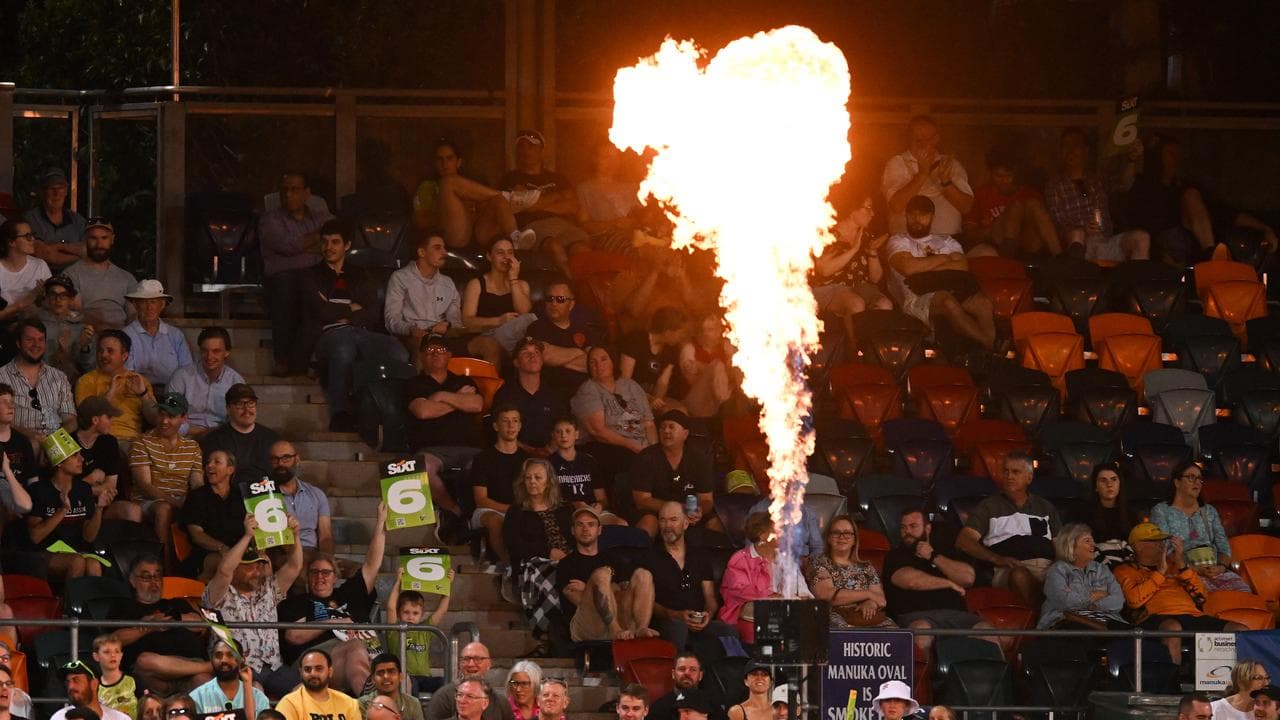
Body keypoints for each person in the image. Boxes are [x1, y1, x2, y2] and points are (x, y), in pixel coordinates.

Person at [301, 219, 409, 432]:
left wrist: (338, 310)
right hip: (326, 336)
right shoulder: (310, 275)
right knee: (344, 345)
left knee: (397, 351)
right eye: (324, 242)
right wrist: (352, 308)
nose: (328, 247)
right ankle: (341, 413)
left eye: (335, 242)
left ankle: (392, 414)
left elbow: (371, 313)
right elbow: (320, 312)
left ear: (347, 246)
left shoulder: (360, 274)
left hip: (360, 332)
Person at [278, 504, 388, 695]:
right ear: (307, 576)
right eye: (314, 572)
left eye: (326, 572)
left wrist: (381, 523)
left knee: (395, 671)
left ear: (335, 576)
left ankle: (382, 706)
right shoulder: (298, 601)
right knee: (354, 648)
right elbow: (293, 636)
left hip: (364, 653)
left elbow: (372, 564)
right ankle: (374, 706)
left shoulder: (348, 594)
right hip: (315, 659)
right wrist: (333, 622)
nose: (320, 577)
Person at [203, 515, 305, 699]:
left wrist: (295, 535)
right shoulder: (220, 593)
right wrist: (247, 536)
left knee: (304, 691)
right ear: (237, 567)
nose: (257, 572)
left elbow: (295, 566)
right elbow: (224, 570)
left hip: (274, 666)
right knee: (256, 691)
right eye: (250, 566)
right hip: (237, 666)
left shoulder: (269, 589)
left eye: (259, 566)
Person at [1113, 522, 1246, 660]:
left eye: (1162, 541)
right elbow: (1134, 601)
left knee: (1240, 630)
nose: (1162, 545)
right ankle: (1172, 679)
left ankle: (1243, 678)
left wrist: (1182, 565)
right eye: (1155, 541)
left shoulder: (1176, 565)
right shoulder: (1124, 570)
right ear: (1139, 546)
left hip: (1192, 616)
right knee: (1172, 628)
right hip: (1155, 618)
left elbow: (1202, 597)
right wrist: (1160, 573)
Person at [885, 195, 996, 350]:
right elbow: (908, 268)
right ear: (906, 215)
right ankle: (990, 345)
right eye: (913, 214)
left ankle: (989, 348)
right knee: (947, 301)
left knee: (984, 303)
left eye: (923, 215)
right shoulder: (898, 240)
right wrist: (945, 258)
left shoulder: (947, 241)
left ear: (932, 217)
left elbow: (962, 266)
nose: (917, 219)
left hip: (950, 287)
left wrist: (923, 270)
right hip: (915, 297)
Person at [955, 451, 1061, 607]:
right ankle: (1041, 622)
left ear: (1029, 478)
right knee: (1019, 575)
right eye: (1006, 471)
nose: (1009, 476)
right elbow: (963, 541)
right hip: (1009, 568)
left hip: (1046, 567)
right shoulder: (989, 507)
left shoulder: (1045, 506)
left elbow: (1060, 544)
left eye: (1015, 472)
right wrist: (995, 558)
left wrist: (1058, 566)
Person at [258, 172, 332, 376]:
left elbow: (336, 237)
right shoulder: (270, 220)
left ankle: (309, 361)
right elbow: (287, 245)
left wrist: (306, 244)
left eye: (294, 189)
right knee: (289, 288)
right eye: (284, 190)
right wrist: (317, 239)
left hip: (313, 276)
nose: (288, 194)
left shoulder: (320, 218)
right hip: (283, 279)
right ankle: (283, 359)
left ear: (307, 193)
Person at [882, 507, 985, 651]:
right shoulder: (896, 555)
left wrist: (933, 557)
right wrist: (948, 583)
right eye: (903, 527)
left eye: (913, 526)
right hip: (917, 617)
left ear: (928, 528)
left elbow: (968, 578)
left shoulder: (945, 552)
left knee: (988, 632)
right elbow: (912, 581)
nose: (907, 532)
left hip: (957, 616)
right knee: (922, 632)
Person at [408, 332, 483, 529]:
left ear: (449, 354)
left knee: (484, 466)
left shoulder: (464, 382)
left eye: (440, 349)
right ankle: (454, 512)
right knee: (421, 467)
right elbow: (423, 411)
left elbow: (476, 404)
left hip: (470, 447)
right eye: (429, 350)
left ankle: (473, 518)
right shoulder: (414, 384)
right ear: (422, 356)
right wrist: (459, 400)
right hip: (432, 449)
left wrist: (440, 396)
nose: (435, 354)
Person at [109, 553, 212, 692]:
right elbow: (113, 640)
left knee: (205, 681)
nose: (153, 582)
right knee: (145, 660)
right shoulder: (124, 607)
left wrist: (173, 618)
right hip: (153, 677)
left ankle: (206, 668)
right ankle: (211, 666)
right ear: (133, 581)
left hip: (190, 669)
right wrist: (149, 627)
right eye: (146, 577)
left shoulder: (176, 604)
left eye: (157, 576)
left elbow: (201, 625)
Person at [1044, 127, 1149, 261]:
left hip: (1105, 242)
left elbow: (1124, 184)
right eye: (1066, 146)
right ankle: (1076, 278)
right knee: (1077, 235)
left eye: (1075, 145)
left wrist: (1131, 159)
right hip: (1079, 245)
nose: (1070, 150)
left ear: (1086, 150)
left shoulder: (1097, 179)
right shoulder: (1054, 185)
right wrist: (1084, 229)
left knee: (1141, 238)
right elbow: (1057, 225)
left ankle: (1136, 282)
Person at [503, 458, 573, 651]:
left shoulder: (565, 508)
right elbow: (514, 545)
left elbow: (576, 537)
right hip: (532, 564)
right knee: (547, 574)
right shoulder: (517, 511)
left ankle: (569, 635)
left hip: (568, 561)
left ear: (549, 480)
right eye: (528, 478)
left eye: (537, 477)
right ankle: (548, 636)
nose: (532, 481)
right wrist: (548, 552)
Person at [1150, 460, 1251, 593]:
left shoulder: (1209, 511)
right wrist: (1192, 569)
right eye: (1191, 477)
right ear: (1177, 482)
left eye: (1199, 478)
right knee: (1203, 597)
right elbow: (1164, 549)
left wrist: (1221, 567)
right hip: (1182, 572)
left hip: (1213, 571)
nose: (1197, 482)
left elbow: (1223, 546)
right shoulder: (1161, 511)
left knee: (1243, 593)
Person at [557, 505, 656, 641]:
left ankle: (641, 628)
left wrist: (588, 588)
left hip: (621, 619)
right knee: (602, 574)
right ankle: (614, 630)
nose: (585, 529)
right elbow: (577, 600)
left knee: (643, 574)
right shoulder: (566, 564)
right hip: (587, 625)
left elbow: (625, 594)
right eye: (580, 525)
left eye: (591, 525)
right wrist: (608, 587)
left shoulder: (613, 559)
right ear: (573, 530)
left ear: (599, 530)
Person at [650, 501, 737, 651]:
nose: (667, 526)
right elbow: (647, 601)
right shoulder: (650, 556)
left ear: (685, 524)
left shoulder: (700, 555)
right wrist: (675, 615)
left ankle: (735, 674)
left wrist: (707, 615)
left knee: (729, 632)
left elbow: (710, 596)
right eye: (662, 520)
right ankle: (681, 672)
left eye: (673, 520)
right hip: (666, 621)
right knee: (678, 629)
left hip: (698, 622)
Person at [498, 129, 588, 274]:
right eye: (522, 147)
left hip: (564, 224)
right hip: (534, 227)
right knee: (554, 246)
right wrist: (557, 197)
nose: (526, 151)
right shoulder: (511, 179)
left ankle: (588, 290)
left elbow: (572, 206)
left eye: (531, 146)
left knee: (582, 249)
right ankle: (573, 288)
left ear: (541, 150)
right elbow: (514, 207)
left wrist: (534, 205)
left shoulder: (558, 179)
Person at [416, 138, 531, 250]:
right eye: (440, 159)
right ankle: (513, 198)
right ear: (435, 163)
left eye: (449, 158)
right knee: (447, 182)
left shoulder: (471, 183)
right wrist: (448, 210)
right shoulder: (428, 186)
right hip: (452, 234)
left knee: (498, 199)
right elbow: (420, 220)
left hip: (480, 232)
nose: (444, 163)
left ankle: (516, 237)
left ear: (458, 162)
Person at [26, 430, 107, 580]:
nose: (81, 459)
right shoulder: (39, 490)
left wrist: (99, 509)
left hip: (75, 550)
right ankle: (69, 603)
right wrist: (62, 511)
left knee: (93, 564)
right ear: (60, 463)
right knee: (77, 562)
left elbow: (88, 537)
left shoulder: (84, 489)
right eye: (75, 456)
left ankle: (93, 603)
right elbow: (35, 537)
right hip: (44, 551)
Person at [812, 193, 893, 345]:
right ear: (852, 210)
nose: (872, 213)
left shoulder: (866, 235)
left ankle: (874, 352)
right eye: (867, 208)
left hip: (859, 287)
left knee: (885, 304)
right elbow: (824, 270)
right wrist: (854, 249)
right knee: (855, 303)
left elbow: (875, 278)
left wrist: (872, 252)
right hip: (829, 289)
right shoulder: (829, 235)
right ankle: (853, 352)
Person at [720, 513, 813, 642]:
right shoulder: (740, 559)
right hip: (751, 620)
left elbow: (805, 595)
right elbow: (741, 592)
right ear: (762, 535)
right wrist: (775, 597)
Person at [129, 392, 202, 557]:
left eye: (171, 416)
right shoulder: (142, 442)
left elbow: (198, 484)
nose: (164, 421)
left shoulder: (192, 446)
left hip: (182, 501)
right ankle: (162, 562)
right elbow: (146, 487)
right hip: (148, 502)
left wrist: (199, 504)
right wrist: (178, 504)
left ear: (184, 418)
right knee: (164, 508)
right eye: (161, 414)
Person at [572, 345, 654, 492]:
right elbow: (599, 432)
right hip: (610, 446)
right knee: (637, 464)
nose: (599, 365)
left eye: (604, 359)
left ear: (613, 362)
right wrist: (636, 447)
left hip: (641, 444)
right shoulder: (588, 390)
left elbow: (649, 423)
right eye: (593, 362)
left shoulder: (630, 385)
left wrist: (654, 449)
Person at [882, 116, 974, 238]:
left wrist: (946, 183)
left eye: (927, 139)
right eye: (917, 140)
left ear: (936, 139)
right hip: (907, 242)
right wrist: (922, 174)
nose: (922, 144)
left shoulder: (950, 163)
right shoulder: (897, 163)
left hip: (948, 241)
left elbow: (966, 207)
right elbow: (896, 205)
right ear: (908, 139)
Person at [963, 147, 1061, 257]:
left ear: (1016, 173)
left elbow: (1044, 225)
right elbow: (969, 235)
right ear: (990, 173)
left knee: (1031, 204)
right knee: (1016, 206)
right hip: (997, 240)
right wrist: (989, 229)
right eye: (998, 176)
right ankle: (1008, 254)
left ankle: (1060, 258)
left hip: (1027, 242)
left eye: (1008, 175)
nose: (1004, 181)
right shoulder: (981, 195)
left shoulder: (1030, 194)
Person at [630, 409, 715, 537]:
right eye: (662, 428)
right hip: (656, 511)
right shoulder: (647, 457)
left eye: (671, 427)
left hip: (689, 512)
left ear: (685, 434)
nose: (666, 431)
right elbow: (642, 500)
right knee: (648, 523)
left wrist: (699, 511)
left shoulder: (698, 458)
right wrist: (677, 510)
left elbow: (706, 500)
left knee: (716, 523)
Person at [804, 515, 893, 629]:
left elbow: (881, 600)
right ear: (829, 538)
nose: (842, 537)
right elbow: (826, 595)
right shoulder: (818, 562)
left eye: (847, 533)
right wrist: (868, 595)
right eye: (836, 533)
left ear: (854, 540)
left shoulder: (866, 567)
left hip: (868, 617)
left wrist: (871, 603)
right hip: (834, 618)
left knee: (897, 636)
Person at [383, 230, 461, 357]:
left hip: (441, 337)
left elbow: (456, 322)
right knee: (425, 346)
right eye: (437, 248)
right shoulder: (400, 278)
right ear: (421, 252)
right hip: (410, 337)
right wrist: (411, 330)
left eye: (444, 248)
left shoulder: (448, 283)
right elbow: (392, 320)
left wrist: (448, 325)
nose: (444, 253)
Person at [0, 318, 77, 444]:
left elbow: (70, 420)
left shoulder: (59, 377)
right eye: (29, 340)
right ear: (18, 343)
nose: (36, 345)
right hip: (17, 443)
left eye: (40, 340)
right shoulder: (2, 376)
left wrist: (54, 441)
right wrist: (28, 435)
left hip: (56, 443)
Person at [74, 329, 158, 444]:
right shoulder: (86, 380)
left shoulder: (139, 381)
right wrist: (109, 394)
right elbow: (85, 419)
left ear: (124, 356)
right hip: (98, 440)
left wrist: (143, 394)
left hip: (131, 441)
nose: (103, 355)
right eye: (101, 351)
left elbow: (155, 420)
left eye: (110, 351)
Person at [460, 238, 536, 365]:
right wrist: (498, 321)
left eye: (510, 253)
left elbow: (524, 313)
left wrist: (513, 279)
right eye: (500, 253)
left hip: (514, 337)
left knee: (530, 323)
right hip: (485, 335)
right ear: (490, 256)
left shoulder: (521, 285)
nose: (506, 257)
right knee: (492, 343)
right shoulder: (477, 284)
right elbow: (467, 321)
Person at [1038, 522, 1127, 630]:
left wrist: (1092, 605)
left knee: (1146, 627)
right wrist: (1094, 596)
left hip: (1104, 623)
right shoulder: (1057, 570)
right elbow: (1065, 602)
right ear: (1071, 545)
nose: (1093, 544)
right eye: (1087, 541)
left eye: (1093, 540)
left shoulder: (1102, 569)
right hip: (1067, 624)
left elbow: (1118, 601)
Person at [471, 406, 530, 566]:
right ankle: (511, 565)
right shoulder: (482, 458)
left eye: (515, 421)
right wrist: (511, 510)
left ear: (520, 426)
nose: (511, 426)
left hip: (519, 509)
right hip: (488, 510)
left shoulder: (527, 460)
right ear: (496, 426)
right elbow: (481, 500)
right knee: (495, 521)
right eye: (505, 421)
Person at [493, 338, 570, 456]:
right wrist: (529, 451)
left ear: (542, 360)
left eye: (537, 352)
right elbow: (498, 430)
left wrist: (550, 449)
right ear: (516, 363)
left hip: (553, 455)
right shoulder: (505, 394)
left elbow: (565, 426)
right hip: (515, 456)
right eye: (525, 353)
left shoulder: (554, 394)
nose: (532, 356)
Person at [165, 327, 245, 437]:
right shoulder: (181, 376)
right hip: (184, 436)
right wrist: (197, 432)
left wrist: (217, 433)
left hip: (221, 437)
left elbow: (241, 419)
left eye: (216, 351)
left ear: (227, 352)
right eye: (204, 351)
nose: (209, 356)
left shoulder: (235, 382)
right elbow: (169, 415)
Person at [179, 449, 246, 579]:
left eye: (217, 462)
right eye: (208, 462)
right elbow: (197, 535)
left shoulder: (241, 496)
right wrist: (222, 548)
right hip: (207, 554)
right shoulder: (196, 497)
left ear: (230, 470)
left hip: (239, 552)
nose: (210, 465)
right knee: (227, 564)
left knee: (264, 563)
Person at [527, 281, 605, 392]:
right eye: (550, 298)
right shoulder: (536, 327)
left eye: (560, 299)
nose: (554, 303)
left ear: (571, 305)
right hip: (552, 392)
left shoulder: (584, 329)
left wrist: (560, 361)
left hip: (588, 391)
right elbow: (545, 355)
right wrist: (579, 353)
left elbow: (594, 362)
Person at [386, 568, 454, 694]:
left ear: (422, 614)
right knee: (411, 685)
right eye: (406, 612)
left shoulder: (425, 629)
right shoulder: (394, 630)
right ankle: (414, 714)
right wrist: (398, 582)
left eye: (415, 613)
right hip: (405, 678)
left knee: (448, 684)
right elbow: (390, 607)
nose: (410, 616)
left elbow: (442, 610)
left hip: (425, 677)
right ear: (399, 613)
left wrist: (447, 584)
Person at [61, 219, 136, 329]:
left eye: (104, 238)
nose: (99, 244)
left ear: (112, 239)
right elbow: (75, 313)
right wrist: (104, 328)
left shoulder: (127, 278)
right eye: (93, 238)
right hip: (87, 334)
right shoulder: (71, 275)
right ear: (85, 240)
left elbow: (133, 314)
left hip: (122, 336)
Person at [268, 440, 335, 561]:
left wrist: (326, 561)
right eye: (274, 459)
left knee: (357, 571)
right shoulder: (265, 496)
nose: (280, 463)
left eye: (286, 458)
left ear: (297, 459)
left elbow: (325, 536)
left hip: (313, 554)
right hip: (284, 554)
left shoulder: (316, 494)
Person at [548, 417, 623, 524]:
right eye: (558, 432)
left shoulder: (589, 461)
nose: (563, 435)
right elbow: (548, 500)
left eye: (568, 431)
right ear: (553, 435)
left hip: (592, 511)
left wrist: (599, 505)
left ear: (576, 434)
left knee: (621, 524)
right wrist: (574, 505)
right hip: (564, 512)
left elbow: (602, 498)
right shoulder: (548, 464)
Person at [200, 384, 279, 484]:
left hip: (268, 495)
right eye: (240, 404)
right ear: (228, 409)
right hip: (230, 496)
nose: (247, 410)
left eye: (251, 403)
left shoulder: (272, 438)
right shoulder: (214, 440)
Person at [121, 280, 193, 387]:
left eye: (153, 302)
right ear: (135, 305)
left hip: (173, 392)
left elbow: (187, 371)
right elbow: (126, 374)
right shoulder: (125, 336)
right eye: (143, 302)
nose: (149, 307)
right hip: (137, 392)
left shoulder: (175, 335)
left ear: (162, 305)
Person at [620, 306, 688, 414]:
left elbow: (663, 382)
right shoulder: (636, 339)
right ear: (668, 332)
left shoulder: (672, 349)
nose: (682, 337)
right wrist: (649, 399)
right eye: (680, 332)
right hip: (629, 393)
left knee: (680, 412)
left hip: (651, 396)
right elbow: (624, 380)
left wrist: (657, 402)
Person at [422, 643, 513, 720]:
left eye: (477, 659)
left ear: (489, 664)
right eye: (466, 659)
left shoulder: (500, 702)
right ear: (459, 664)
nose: (471, 664)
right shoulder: (443, 697)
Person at [23, 169, 86, 267]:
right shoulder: (31, 219)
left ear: (66, 191)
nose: (56, 193)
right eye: (51, 188)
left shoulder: (78, 220)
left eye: (60, 188)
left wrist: (59, 246)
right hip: (41, 279)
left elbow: (88, 250)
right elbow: (46, 255)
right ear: (42, 192)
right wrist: (78, 255)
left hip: (76, 279)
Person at [189, 639, 268, 717]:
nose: (224, 660)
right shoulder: (196, 698)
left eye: (231, 655)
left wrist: (247, 683)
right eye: (218, 655)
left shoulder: (259, 698)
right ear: (211, 660)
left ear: (242, 659)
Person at [36, 275, 95, 379]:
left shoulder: (83, 327)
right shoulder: (37, 325)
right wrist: (61, 351)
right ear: (47, 297)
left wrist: (85, 347)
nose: (58, 300)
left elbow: (90, 368)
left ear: (71, 299)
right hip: (42, 381)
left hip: (73, 383)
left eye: (63, 295)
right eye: (53, 295)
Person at [276, 649, 361, 720]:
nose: (313, 673)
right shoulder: (289, 704)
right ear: (301, 673)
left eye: (319, 669)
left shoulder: (350, 704)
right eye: (307, 669)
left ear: (330, 672)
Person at [0, 219, 52, 322]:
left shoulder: (39, 265)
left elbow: (51, 304)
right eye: (27, 236)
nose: (33, 239)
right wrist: (22, 303)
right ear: (11, 242)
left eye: (33, 235)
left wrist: (43, 297)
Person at [1088, 462, 1134, 568]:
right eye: (1103, 480)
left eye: (1114, 479)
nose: (1109, 484)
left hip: (1128, 569)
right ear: (1095, 487)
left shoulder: (1131, 514)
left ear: (1120, 484)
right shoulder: (1082, 513)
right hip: (1096, 568)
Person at [50, 660, 130, 720]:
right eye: (68, 682)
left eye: (76, 680)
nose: (70, 687)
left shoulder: (120, 718)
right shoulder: (59, 717)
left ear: (94, 684)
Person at [357, 654, 426, 720]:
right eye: (380, 673)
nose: (386, 676)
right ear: (373, 679)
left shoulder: (412, 703)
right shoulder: (363, 704)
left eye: (391, 672)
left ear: (400, 676)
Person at [648, 655, 708, 720]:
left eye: (693, 670)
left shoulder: (712, 703)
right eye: (682, 669)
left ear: (700, 676)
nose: (687, 673)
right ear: (673, 674)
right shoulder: (658, 709)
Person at [91, 634, 136, 720]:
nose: (113, 655)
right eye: (107, 652)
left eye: (117, 651)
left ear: (121, 655)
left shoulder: (132, 681)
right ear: (96, 656)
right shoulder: (94, 686)